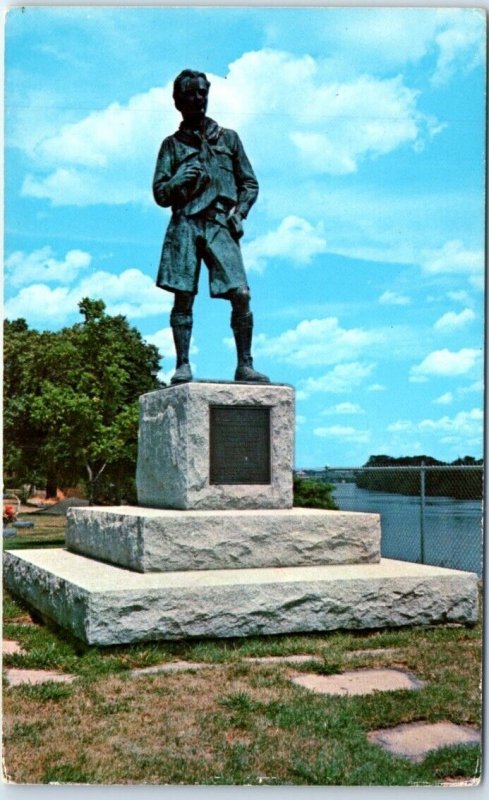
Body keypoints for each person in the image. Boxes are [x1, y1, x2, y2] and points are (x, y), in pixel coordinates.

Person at [153, 69, 269, 385]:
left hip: (220, 222)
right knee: (183, 296)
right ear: (178, 101)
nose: (198, 98)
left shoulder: (228, 138)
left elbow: (249, 183)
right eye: (191, 93)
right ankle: (183, 364)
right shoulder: (172, 146)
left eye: (202, 92)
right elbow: (160, 194)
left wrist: (240, 213)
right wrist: (178, 180)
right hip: (186, 224)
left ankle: (245, 364)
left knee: (241, 294)